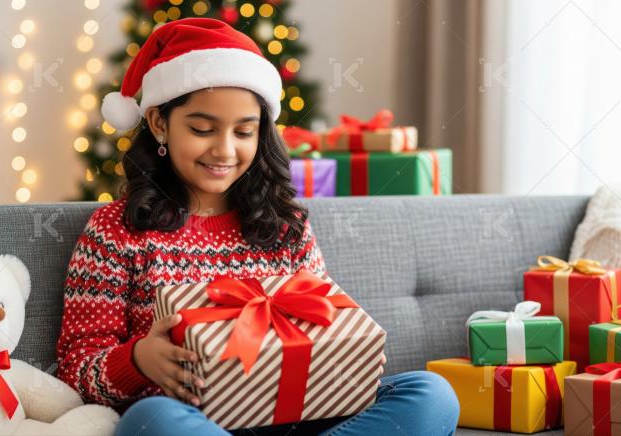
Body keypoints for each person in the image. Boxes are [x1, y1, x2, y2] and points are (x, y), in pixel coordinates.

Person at [56, 17, 459, 436]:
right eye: (201, 128)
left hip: (301, 417)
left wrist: (347, 358)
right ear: (159, 122)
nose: (225, 150)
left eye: (244, 131)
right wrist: (138, 359)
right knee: (152, 421)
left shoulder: (288, 227)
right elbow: (75, 371)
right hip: (191, 419)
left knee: (431, 394)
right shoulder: (115, 231)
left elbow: (323, 329)